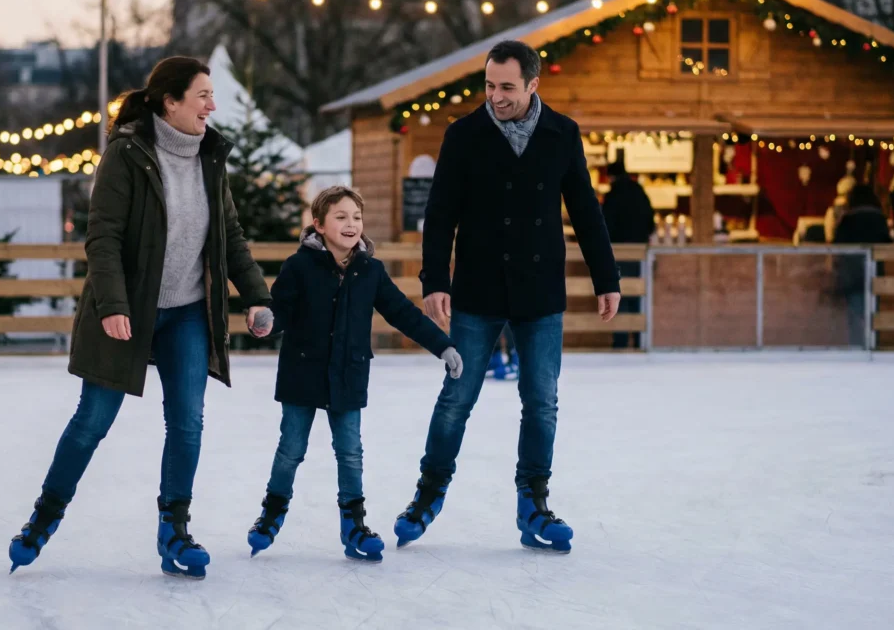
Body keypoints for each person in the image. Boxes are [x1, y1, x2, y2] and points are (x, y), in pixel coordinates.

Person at [8, 56, 274, 581]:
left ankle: (174, 531)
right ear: (170, 102)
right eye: (202, 96)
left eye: (211, 96)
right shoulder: (127, 155)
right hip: (127, 310)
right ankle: (43, 518)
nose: (212, 106)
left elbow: (231, 238)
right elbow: (102, 238)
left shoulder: (210, 156)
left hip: (187, 314)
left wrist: (257, 297)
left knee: (188, 422)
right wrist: (112, 307)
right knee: (92, 421)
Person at [394, 40, 622, 554]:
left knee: (541, 403)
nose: (495, 96)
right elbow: (442, 213)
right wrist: (435, 281)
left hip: (540, 293)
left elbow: (585, 209)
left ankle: (533, 505)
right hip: (477, 290)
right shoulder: (464, 134)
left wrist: (606, 277)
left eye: (507, 88)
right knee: (456, 400)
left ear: (533, 85)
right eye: (489, 85)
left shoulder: (562, 133)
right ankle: (428, 495)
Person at [245, 186, 462, 562]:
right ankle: (271, 514)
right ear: (319, 224)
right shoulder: (299, 266)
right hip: (302, 374)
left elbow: (403, 313)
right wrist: (265, 321)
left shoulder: (370, 270)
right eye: (341, 217)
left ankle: (355, 525)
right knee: (291, 450)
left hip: (348, 375)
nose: (350, 224)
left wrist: (442, 345)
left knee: (350, 453)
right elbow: (278, 309)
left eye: (356, 217)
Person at [600, 150, 655, 349]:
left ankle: (621, 341)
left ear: (612, 177)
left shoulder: (613, 195)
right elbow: (650, 221)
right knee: (638, 294)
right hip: (640, 252)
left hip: (618, 251)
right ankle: (640, 340)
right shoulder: (639, 191)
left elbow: (604, 224)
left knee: (619, 294)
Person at [833, 183, 891, 347]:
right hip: (875, 277)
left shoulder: (848, 220)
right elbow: (887, 245)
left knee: (855, 318)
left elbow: (837, 246)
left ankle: (857, 349)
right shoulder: (880, 219)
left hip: (852, 277)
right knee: (873, 315)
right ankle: (873, 346)